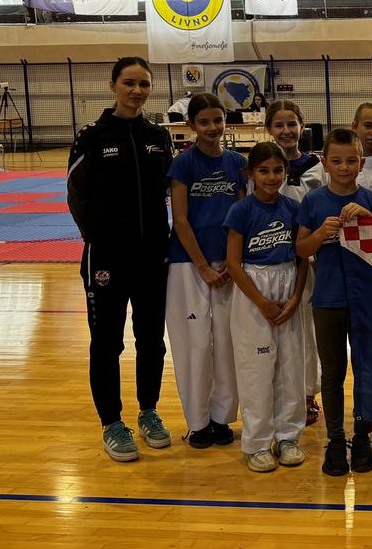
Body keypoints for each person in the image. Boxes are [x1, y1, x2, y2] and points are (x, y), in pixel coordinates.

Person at [66, 56, 175, 463]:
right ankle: (111, 422)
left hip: (153, 256)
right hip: (106, 258)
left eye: (144, 84)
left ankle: (148, 411)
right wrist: (98, 238)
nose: (137, 91)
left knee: (151, 340)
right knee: (107, 343)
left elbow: (170, 191)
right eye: (129, 82)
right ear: (113, 85)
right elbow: (76, 193)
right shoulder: (92, 136)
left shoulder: (158, 136)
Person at [296, 128, 372, 476]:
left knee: (366, 371)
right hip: (328, 300)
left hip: (366, 301)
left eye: (351, 161)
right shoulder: (313, 202)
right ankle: (335, 440)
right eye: (337, 161)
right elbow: (301, 250)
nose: (344, 167)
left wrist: (368, 220)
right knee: (332, 375)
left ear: (361, 164)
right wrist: (321, 234)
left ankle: (362, 437)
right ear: (325, 164)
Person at [165, 93, 247, 450]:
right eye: (204, 122)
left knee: (227, 343)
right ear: (192, 126)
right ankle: (197, 422)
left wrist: (232, 260)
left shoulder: (238, 163)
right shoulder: (183, 164)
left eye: (218, 120)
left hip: (228, 264)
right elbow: (181, 220)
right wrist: (201, 265)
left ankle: (221, 417)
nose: (212, 128)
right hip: (188, 264)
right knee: (194, 344)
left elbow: (242, 216)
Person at [224, 141, 309, 473]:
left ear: (285, 172)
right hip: (253, 289)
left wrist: (296, 297)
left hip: (288, 285)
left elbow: (302, 258)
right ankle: (257, 442)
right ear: (250, 174)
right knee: (256, 370)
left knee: (291, 368)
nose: (271, 177)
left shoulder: (294, 208)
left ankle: (288, 437)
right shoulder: (241, 211)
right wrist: (260, 302)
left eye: (277, 170)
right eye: (263, 171)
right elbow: (233, 263)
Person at [267, 98, 325, 425]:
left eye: (292, 124)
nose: (286, 130)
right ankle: (276, 393)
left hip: (307, 258)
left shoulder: (316, 167)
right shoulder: (263, 165)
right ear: (269, 129)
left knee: (305, 328)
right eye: (279, 125)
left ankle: (307, 393)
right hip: (269, 260)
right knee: (272, 329)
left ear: (302, 127)